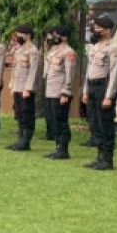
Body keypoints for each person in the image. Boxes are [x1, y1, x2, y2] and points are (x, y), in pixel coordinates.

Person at [81, 14, 117, 171]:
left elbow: (114, 73)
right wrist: (85, 91)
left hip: (103, 88)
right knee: (94, 123)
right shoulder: (95, 47)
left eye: (99, 28)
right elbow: (89, 71)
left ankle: (107, 159)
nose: (95, 30)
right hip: (92, 87)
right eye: (95, 27)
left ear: (108, 30)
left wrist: (109, 96)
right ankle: (99, 157)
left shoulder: (114, 48)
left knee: (105, 124)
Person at [41, 26, 77, 160]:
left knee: (61, 121)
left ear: (64, 37)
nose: (52, 37)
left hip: (60, 92)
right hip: (50, 91)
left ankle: (63, 149)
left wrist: (66, 92)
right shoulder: (53, 51)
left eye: (56, 35)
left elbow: (70, 74)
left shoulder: (69, 52)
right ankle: (57, 147)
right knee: (53, 120)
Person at [6, 24, 40, 151]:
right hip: (17, 86)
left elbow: (33, 71)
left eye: (19, 35)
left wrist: (28, 88)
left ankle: (26, 141)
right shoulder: (18, 49)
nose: (17, 37)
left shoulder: (33, 51)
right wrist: (12, 86)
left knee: (27, 115)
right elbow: (15, 69)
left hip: (26, 88)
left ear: (27, 35)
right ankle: (20, 139)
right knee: (19, 114)